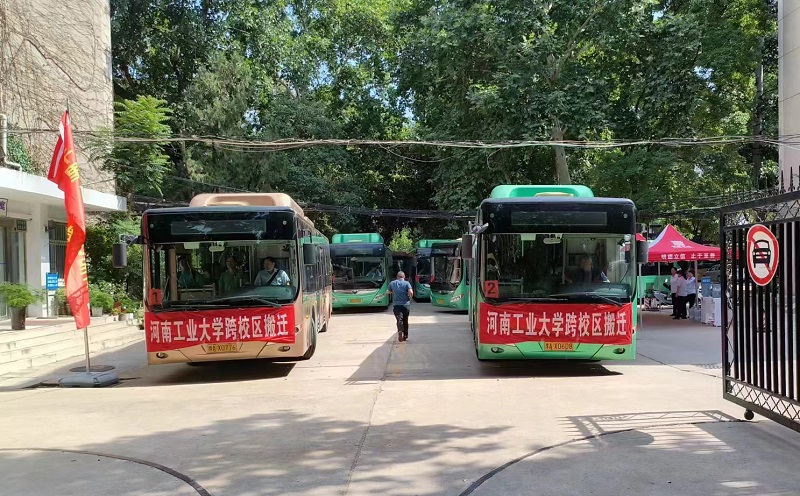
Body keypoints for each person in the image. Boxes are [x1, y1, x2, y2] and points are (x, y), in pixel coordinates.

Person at [388, 271, 413, 342]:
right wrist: (410, 298)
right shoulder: (407, 283)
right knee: (405, 320)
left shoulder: (392, 283)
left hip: (396, 305)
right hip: (406, 305)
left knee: (399, 319)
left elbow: (387, 292)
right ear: (404, 277)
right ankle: (405, 336)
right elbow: (411, 292)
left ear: (397, 277)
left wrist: (392, 292)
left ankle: (400, 331)